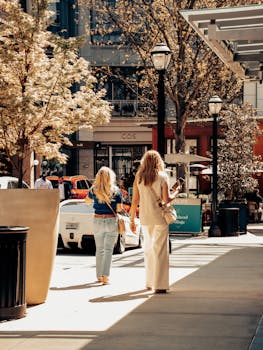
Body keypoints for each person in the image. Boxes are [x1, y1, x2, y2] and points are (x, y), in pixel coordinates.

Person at [129, 150, 181, 294]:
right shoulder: (162, 176)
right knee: (160, 251)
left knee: (148, 249)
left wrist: (132, 219)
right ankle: (160, 284)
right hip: (160, 218)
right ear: (159, 162)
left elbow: (135, 201)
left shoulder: (139, 177)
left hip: (146, 218)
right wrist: (176, 192)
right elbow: (166, 199)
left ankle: (149, 282)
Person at [86, 166, 123, 285]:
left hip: (97, 220)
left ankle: (99, 276)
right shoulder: (116, 191)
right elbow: (119, 208)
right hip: (111, 220)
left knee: (99, 250)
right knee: (108, 250)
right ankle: (106, 276)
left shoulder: (93, 190)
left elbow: (87, 201)